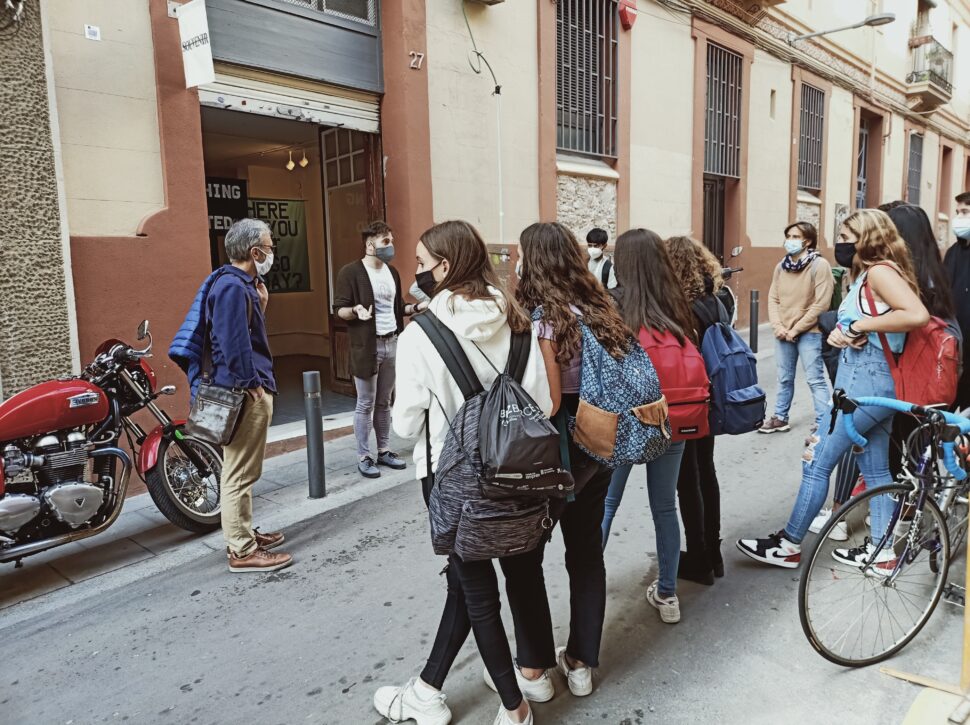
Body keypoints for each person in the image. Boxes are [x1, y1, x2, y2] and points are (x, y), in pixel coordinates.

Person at [375, 220, 555, 725]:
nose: (416, 272)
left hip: (450, 479)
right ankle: (516, 678)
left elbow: (407, 426)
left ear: (445, 267)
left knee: (475, 589)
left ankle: (513, 707)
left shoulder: (421, 335)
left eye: (421, 263)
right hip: (522, 471)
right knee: (516, 573)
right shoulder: (518, 320)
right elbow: (540, 403)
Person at [737, 209, 930, 570]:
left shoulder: (880, 272)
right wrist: (852, 331)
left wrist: (859, 325)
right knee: (874, 471)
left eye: (845, 236)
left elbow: (916, 314)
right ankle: (883, 553)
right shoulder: (875, 273)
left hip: (864, 384)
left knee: (817, 462)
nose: (839, 243)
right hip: (871, 382)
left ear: (866, 238)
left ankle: (789, 543)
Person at [516, 222, 627, 697]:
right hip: (600, 443)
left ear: (534, 261)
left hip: (557, 449)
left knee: (528, 558)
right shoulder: (601, 307)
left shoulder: (544, 316)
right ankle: (581, 664)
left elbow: (550, 400)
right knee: (586, 555)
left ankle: (535, 668)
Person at [599, 229, 692, 623]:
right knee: (665, 508)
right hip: (671, 416)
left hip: (622, 421)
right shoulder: (677, 305)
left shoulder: (612, 304)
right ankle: (668, 595)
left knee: (606, 504)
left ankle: (587, 582)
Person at [207, 218, 291, 573]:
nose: (272, 252)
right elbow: (233, 343)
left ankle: (244, 535)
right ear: (254, 252)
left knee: (243, 469)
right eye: (270, 247)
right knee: (238, 472)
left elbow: (247, 334)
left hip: (246, 387)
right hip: (244, 392)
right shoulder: (231, 287)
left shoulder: (244, 286)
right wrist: (252, 384)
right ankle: (241, 550)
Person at [665, 236, 726, 584]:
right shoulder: (714, 300)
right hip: (711, 396)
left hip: (690, 400)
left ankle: (699, 557)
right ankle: (712, 553)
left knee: (688, 480)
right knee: (706, 472)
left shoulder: (681, 308)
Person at [334, 221, 415, 479]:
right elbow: (340, 309)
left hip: (393, 342)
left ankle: (384, 450)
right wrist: (355, 311)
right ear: (370, 245)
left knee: (385, 401)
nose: (391, 247)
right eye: (385, 242)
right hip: (367, 345)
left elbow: (398, 307)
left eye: (391, 241)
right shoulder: (350, 272)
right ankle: (363, 455)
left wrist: (416, 309)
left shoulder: (392, 273)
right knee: (365, 402)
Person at [760, 222, 834, 436]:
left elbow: (821, 304)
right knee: (783, 378)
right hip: (783, 331)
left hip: (809, 333)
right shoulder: (781, 266)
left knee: (815, 379)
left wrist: (796, 329)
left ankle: (824, 422)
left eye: (795, 236)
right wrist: (778, 326)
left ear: (807, 241)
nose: (790, 240)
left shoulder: (819, 266)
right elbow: (773, 297)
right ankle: (780, 418)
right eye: (788, 236)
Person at [944, 191, 970, 409]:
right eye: (958, 212)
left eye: (966, 212)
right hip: (954, 343)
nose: (960, 218)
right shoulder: (953, 251)